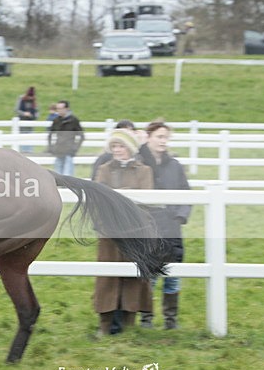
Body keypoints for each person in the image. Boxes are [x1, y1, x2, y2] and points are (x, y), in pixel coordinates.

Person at [92, 129, 154, 336]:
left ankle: (128, 326)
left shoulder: (144, 171)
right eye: (114, 146)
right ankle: (106, 325)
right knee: (107, 279)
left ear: (130, 148)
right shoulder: (104, 170)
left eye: (121, 146)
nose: (117, 150)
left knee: (133, 279)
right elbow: (99, 199)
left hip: (134, 233)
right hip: (109, 233)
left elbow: (145, 202)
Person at [138, 120, 192, 330]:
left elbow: (186, 192)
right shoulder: (141, 163)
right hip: (149, 228)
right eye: (159, 136)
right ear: (149, 137)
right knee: (150, 275)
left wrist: (181, 215)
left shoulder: (175, 165)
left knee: (173, 275)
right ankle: (146, 319)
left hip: (172, 228)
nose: (163, 141)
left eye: (166, 137)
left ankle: (171, 320)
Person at [47, 100, 84, 176]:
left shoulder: (73, 121)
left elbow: (81, 136)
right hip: (58, 151)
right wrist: (51, 147)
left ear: (67, 108)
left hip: (68, 151)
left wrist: (75, 148)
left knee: (68, 176)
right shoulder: (56, 120)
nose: (59, 111)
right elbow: (50, 135)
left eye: (61, 108)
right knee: (57, 176)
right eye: (58, 109)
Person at [14, 86, 37, 153]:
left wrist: (32, 115)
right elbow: (16, 110)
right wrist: (24, 113)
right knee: (21, 138)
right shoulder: (21, 99)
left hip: (30, 123)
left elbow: (37, 112)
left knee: (30, 138)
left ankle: (29, 152)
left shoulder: (34, 101)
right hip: (22, 122)